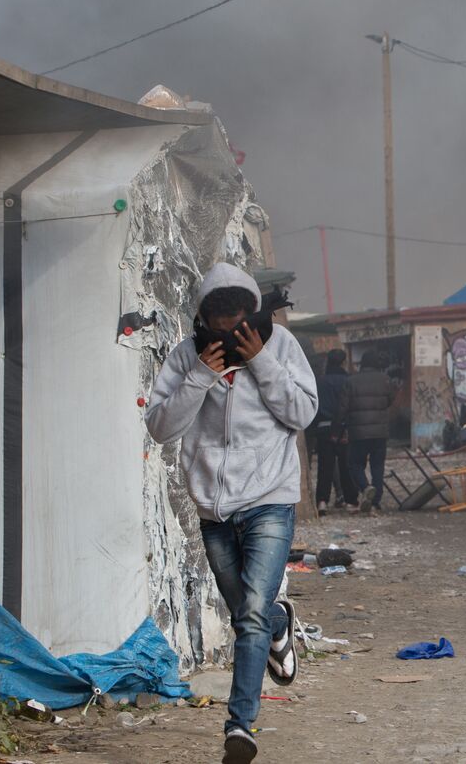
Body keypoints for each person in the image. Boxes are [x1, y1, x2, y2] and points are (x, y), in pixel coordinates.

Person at [144, 263, 317, 764]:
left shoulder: (281, 345)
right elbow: (159, 426)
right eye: (217, 316)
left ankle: (240, 727)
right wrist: (200, 374)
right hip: (214, 510)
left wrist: (261, 361)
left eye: (237, 314)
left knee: (250, 616)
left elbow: (302, 413)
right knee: (251, 615)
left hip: (269, 500)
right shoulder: (187, 356)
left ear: (250, 311)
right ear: (203, 317)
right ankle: (280, 626)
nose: (228, 325)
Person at [338, 349, 394, 513]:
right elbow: (390, 400)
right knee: (378, 466)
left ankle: (365, 487)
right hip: (380, 431)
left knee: (355, 464)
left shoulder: (351, 381)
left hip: (358, 432)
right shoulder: (386, 380)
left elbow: (343, 407)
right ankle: (376, 502)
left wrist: (338, 429)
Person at [311, 349, 356, 515]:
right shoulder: (348, 381)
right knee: (346, 466)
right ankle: (351, 500)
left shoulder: (319, 382)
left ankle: (322, 501)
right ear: (343, 362)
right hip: (344, 428)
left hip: (323, 427)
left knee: (325, 466)